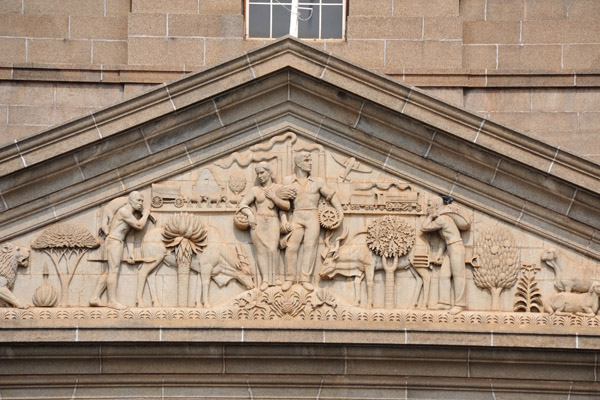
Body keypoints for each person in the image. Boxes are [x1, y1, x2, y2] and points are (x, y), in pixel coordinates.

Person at [280, 151, 344, 292]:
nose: (310, 162)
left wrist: (340, 212)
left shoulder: (318, 182)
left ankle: (305, 279)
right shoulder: (288, 181)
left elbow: (331, 196)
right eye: (307, 160)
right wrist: (284, 219)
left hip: (312, 216)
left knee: (310, 247)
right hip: (296, 215)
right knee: (291, 247)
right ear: (298, 163)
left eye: (310, 160)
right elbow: (283, 204)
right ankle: (289, 278)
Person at [90, 191, 151, 309]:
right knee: (114, 271)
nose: (141, 204)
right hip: (114, 241)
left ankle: (95, 297)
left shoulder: (130, 214)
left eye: (142, 201)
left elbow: (129, 235)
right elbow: (139, 225)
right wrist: (146, 214)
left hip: (118, 242)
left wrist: (131, 253)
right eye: (139, 200)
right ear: (131, 201)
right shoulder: (124, 212)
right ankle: (112, 301)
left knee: (109, 271)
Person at [237, 162, 290, 291]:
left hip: (273, 220)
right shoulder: (255, 190)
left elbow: (286, 206)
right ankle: (265, 279)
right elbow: (242, 204)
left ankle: (275, 278)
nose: (260, 176)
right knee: (260, 252)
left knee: (273, 249)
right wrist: (249, 214)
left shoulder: (278, 188)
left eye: (262, 173)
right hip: (257, 223)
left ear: (269, 173)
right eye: (258, 174)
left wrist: (283, 219)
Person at [421, 195, 470, 315]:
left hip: (456, 248)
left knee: (458, 275)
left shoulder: (441, 219)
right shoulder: (442, 219)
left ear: (436, 206)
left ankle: (460, 304)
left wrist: (430, 217)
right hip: (450, 247)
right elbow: (444, 238)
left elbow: (424, 227)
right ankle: (444, 302)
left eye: (429, 206)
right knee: (444, 275)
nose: (427, 208)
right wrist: (439, 254)